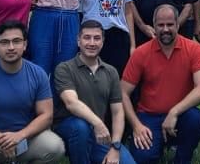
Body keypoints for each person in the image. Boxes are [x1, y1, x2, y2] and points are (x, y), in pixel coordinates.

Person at [0, 20, 65, 164]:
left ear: (25, 45)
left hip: (25, 140)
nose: (11, 47)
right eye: (5, 42)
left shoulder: (38, 74)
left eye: (16, 41)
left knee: (54, 146)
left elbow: (46, 115)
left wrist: (19, 136)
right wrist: (1, 139)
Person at [121, 4, 200, 164]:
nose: (165, 29)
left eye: (170, 24)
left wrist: (174, 112)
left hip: (181, 116)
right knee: (143, 159)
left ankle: (181, 159)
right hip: (148, 117)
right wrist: (136, 126)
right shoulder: (141, 52)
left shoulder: (194, 49)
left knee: (195, 119)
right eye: (160, 25)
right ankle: (157, 146)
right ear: (154, 26)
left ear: (178, 24)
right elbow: (123, 93)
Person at [53, 20, 137, 164]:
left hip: (98, 136)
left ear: (103, 42)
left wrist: (115, 147)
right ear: (78, 41)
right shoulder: (64, 68)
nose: (92, 43)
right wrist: (98, 123)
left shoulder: (111, 72)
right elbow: (71, 103)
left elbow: (117, 112)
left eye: (97, 38)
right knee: (81, 127)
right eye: (87, 37)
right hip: (68, 131)